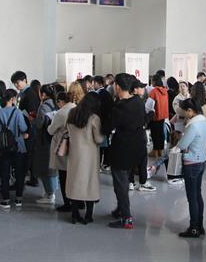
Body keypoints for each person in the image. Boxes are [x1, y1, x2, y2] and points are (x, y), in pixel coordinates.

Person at [107, 73, 147, 229]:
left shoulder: (119, 107)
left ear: (117, 86)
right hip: (137, 147)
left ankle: (126, 217)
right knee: (124, 180)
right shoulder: (138, 101)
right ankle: (120, 210)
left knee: (120, 183)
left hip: (122, 148)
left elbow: (109, 126)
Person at [66, 92, 104, 224]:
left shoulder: (71, 114)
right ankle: (88, 215)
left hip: (74, 154)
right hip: (89, 156)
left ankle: (74, 214)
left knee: (75, 182)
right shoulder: (94, 118)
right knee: (89, 184)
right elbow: (98, 138)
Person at [0, 89, 29, 209]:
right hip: (18, 147)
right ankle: (18, 199)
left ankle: (5, 200)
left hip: (3, 148)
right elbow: (23, 128)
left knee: (4, 174)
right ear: (12, 99)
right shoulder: (18, 112)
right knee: (19, 173)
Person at [176, 98, 206, 238]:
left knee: (192, 197)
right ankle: (199, 225)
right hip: (200, 161)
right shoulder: (203, 121)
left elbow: (182, 145)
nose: (184, 114)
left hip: (191, 163)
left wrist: (181, 137)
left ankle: (194, 228)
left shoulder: (193, 126)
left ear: (190, 110)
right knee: (197, 194)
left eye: (185, 111)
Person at [47, 91, 76, 212]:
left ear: (60, 102)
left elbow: (51, 130)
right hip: (75, 145)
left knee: (63, 176)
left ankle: (67, 203)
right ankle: (78, 202)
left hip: (62, 146)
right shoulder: (76, 108)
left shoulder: (61, 113)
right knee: (74, 177)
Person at [11, 70, 41, 187]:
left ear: (24, 80)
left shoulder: (30, 94)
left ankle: (19, 183)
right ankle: (33, 178)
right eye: (14, 83)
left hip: (28, 129)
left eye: (18, 82)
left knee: (25, 156)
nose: (16, 85)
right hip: (25, 127)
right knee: (30, 155)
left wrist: (27, 130)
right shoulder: (22, 93)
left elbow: (33, 115)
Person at [127, 80, 156, 192]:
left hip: (130, 135)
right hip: (139, 134)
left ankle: (130, 182)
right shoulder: (138, 102)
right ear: (135, 89)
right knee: (142, 158)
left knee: (131, 158)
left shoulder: (127, 101)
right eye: (141, 87)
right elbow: (143, 120)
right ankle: (143, 182)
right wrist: (151, 113)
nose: (144, 90)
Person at [33, 84, 59, 204]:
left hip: (44, 140)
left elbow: (39, 124)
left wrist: (32, 120)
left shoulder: (43, 107)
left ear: (43, 94)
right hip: (54, 139)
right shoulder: (56, 104)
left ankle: (49, 194)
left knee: (45, 167)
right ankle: (52, 191)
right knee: (53, 167)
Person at [148, 75, 169, 158]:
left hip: (155, 116)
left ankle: (155, 151)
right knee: (160, 133)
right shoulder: (165, 91)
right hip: (163, 115)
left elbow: (149, 106)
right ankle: (160, 150)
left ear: (154, 81)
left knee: (155, 133)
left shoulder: (153, 91)